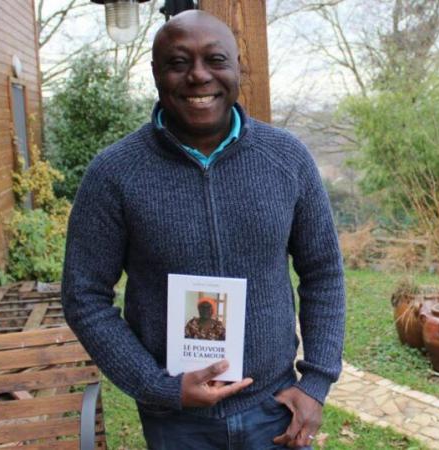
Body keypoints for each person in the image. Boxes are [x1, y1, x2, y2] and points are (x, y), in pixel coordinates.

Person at [61, 9, 345, 450]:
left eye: (215, 60)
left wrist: (317, 381)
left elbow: (323, 272)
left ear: (237, 69)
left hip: (275, 408)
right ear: (156, 74)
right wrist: (158, 387)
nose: (198, 76)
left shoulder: (287, 159)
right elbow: (84, 297)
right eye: (178, 63)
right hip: (175, 420)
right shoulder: (114, 174)